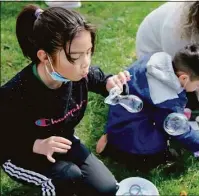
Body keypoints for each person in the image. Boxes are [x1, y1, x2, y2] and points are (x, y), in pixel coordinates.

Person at [0, 5, 131, 196]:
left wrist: (115, 85)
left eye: (88, 52)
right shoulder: (15, 93)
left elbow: (104, 82)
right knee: (67, 176)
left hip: (63, 141)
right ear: (44, 56)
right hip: (21, 152)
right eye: (76, 56)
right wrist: (35, 145)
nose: (86, 62)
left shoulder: (82, 75)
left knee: (107, 188)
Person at [96, 44, 199, 171]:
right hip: (134, 137)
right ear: (184, 78)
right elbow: (177, 128)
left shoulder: (153, 61)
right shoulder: (167, 99)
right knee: (160, 158)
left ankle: (112, 137)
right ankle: (114, 150)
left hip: (118, 119)